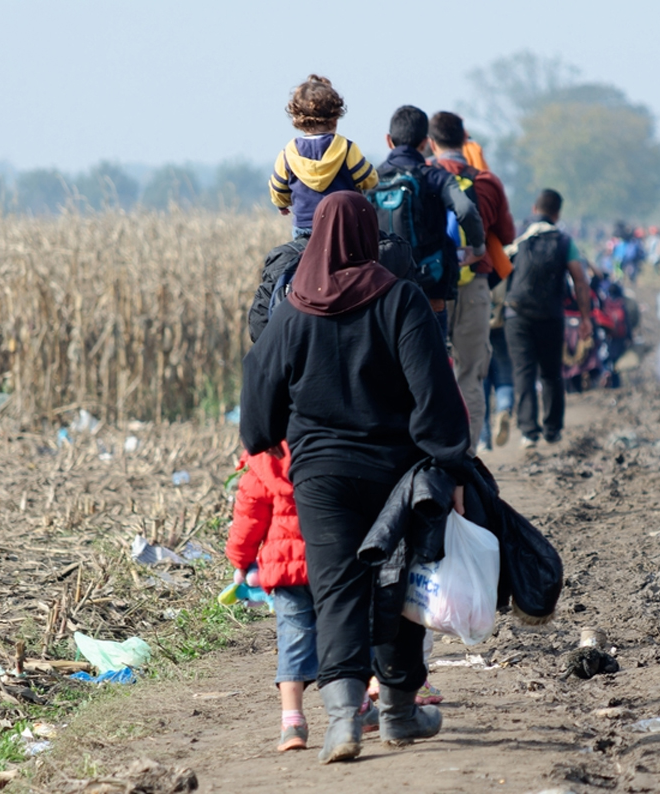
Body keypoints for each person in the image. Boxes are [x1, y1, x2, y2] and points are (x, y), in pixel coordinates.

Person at [240, 192, 471, 764]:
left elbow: (258, 384)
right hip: (396, 473)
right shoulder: (401, 301)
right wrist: (451, 462)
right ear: (370, 236)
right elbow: (434, 391)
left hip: (319, 478)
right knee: (399, 585)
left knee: (336, 589)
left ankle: (344, 720)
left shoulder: (293, 310)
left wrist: (265, 436)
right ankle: (396, 711)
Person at [224, 444, 378, 752]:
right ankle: (359, 708)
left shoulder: (262, 460)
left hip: (284, 569)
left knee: (293, 641)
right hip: (332, 561)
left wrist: (240, 560)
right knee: (342, 636)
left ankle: (292, 723)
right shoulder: (329, 445)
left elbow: (247, 519)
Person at [428, 111, 516, 450]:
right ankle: (466, 458)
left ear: (431, 142)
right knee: (471, 375)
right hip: (476, 285)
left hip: (434, 288)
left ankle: (436, 455)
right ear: (466, 140)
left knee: (434, 374)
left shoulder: (423, 178)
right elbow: (507, 234)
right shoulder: (487, 182)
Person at [372, 106, 485, 340]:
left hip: (382, 287)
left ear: (388, 140)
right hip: (429, 284)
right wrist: (478, 247)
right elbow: (465, 209)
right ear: (425, 142)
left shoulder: (371, 179)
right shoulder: (435, 177)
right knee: (432, 362)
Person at [504, 189, 591, 448]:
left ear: (534, 209)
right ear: (557, 213)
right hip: (551, 314)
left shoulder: (518, 236)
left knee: (523, 371)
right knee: (551, 372)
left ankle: (528, 431)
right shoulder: (565, 241)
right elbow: (580, 280)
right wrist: (585, 317)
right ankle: (552, 429)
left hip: (516, 314)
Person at [268, 75, 378, 237]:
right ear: (334, 120)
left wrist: (282, 204)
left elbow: (278, 190)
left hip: (305, 225)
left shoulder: (288, 153)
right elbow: (370, 180)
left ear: (297, 120)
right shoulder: (346, 148)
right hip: (343, 224)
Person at [479, 276, 514, 452]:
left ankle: (483, 439)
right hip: (502, 327)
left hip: (477, 328)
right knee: (505, 378)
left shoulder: (475, 258)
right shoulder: (503, 260)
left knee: (480, 383)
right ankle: (504, 408)